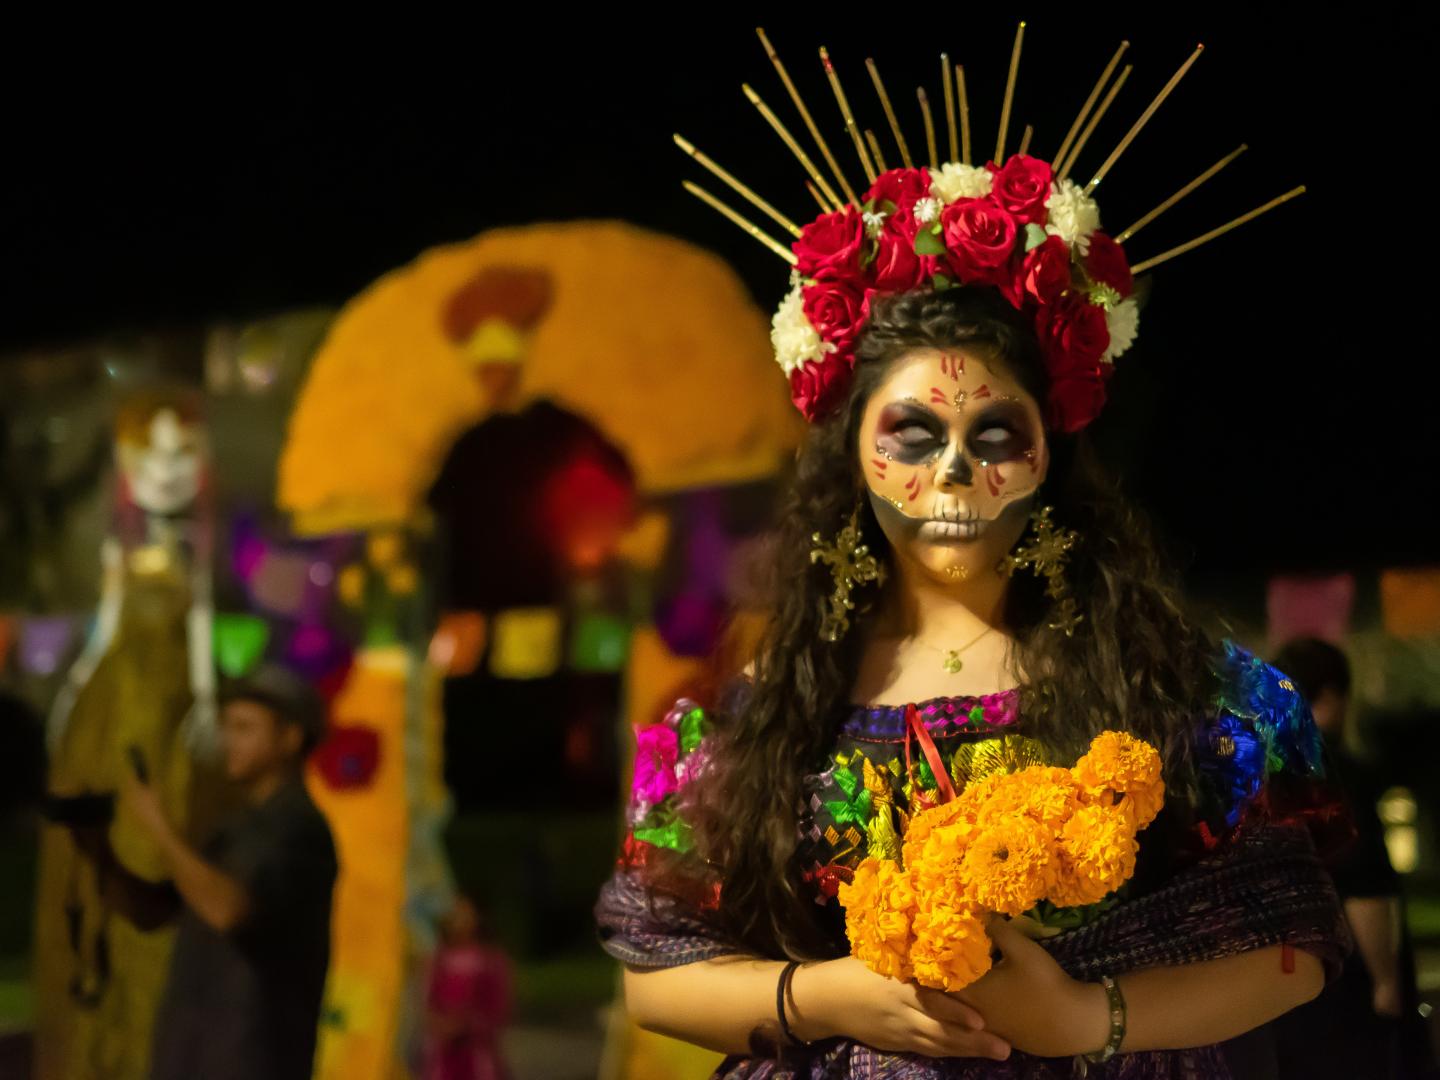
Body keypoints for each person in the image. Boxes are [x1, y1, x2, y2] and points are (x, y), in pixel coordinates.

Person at [593, 35, 1350, 1077]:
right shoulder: (764, 711)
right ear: (852, 459)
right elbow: (656, 972)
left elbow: (1292, 948)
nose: (954, 473)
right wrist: (827, 996)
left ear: (1050, 456)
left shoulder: (1176, 690)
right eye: (911, 435)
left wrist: (1090, 1020)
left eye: (996, 435)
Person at [71, 662, 338, 1080]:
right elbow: (154, 912)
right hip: (194, 1051)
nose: (228, 741)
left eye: (245, 729)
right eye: (227, 727)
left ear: (290, 738)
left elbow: (229, 910)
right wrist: (100, 853)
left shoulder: (300, 829)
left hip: (252, 1057)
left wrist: (159, 828)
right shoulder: (234, 828)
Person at [1268, 637, 1433, 1079]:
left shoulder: (1261, 777)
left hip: (1286, 986)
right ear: (1332, 696)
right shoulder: (1340, 773)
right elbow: (1366, 887)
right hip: (1347, 983)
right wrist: (1386, 981)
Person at [422, 894, 515, 1080]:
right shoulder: (441, 960)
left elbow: (497, 1009)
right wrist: (439, 1024)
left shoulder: (489, 961)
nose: (458, 920)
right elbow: (430, 1002)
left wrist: (465, 1025)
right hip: (444, 1057)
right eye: (455, 914)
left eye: (465, 914)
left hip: (476, 1056)